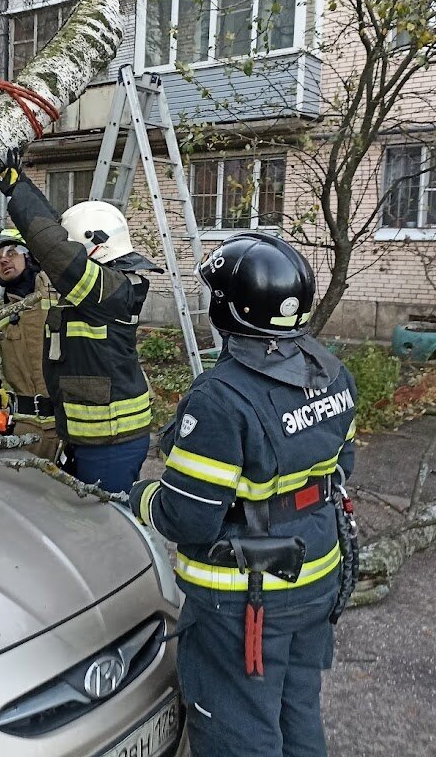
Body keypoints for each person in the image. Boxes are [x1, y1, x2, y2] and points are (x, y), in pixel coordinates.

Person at [127, 232, 359, 757]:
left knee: (238, 732)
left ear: (226, 309)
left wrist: (138, 497)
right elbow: (341, 466)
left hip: (244, 602)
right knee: (297, 715)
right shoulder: (331, 371)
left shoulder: (219, 399)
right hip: (316, 574)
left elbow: (189, 519)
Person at [0, 148, 159, 493]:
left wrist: (15, 189)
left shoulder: (108, 288)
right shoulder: (109, 283)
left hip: (110, 439)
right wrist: (22, 183)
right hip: (94, 435)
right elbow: (56, 237)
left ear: (93, 247)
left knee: (104, 529)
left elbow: (55, 248)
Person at [0, 228, 59, 461]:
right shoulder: (0, 318)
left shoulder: (59, 298)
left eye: (11, 252)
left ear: (29, 257)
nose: (3, 260)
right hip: (28, 430)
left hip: (71, 425)